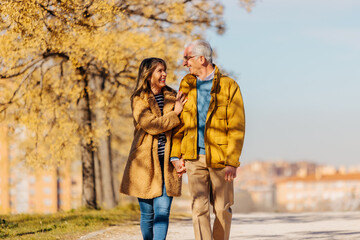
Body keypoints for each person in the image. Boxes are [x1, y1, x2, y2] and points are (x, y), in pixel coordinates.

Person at [171, 40, 245, 240]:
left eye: (187, 58)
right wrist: (176, 155)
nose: (184, 63)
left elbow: (237, 128)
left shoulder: (229, 86)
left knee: (222, 208)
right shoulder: (186, 84)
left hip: (221, 159)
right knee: (199, 209)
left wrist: (232, 161)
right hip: (193, 158)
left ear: (201, 59)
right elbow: (180, 122)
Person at [120, 57, 187, 240]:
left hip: (167, 164)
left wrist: (179, 156)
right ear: (148, 75)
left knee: (163, 212)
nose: (164, 74)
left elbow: (182, 128)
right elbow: (151, 125)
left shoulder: (174, 97)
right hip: (144, 164)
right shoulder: (138, 99)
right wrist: (176, 114)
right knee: (148, 215)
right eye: (159, 70)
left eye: (164, 70)